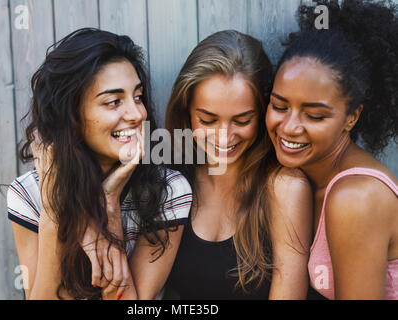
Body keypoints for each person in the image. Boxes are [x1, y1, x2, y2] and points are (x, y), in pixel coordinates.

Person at [6, 28, 192, 300]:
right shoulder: (28, 194)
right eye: (114, 101)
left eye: (138, 97)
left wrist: (109, 206)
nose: (136, 113)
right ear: (72, 115)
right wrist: (57, 210)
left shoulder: (168, 192)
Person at [163, 30, 313, 299]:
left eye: (242, 120)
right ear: (185, 111)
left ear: (265, 111)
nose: (224, 137)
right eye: (208, 120)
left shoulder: (285, 188)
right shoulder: (174, 182)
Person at [265, 0, 398, 299]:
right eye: (279, 105)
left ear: (352, 117)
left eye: (314, 115)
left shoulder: (356, 198)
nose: (289, 127)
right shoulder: (305, 178)